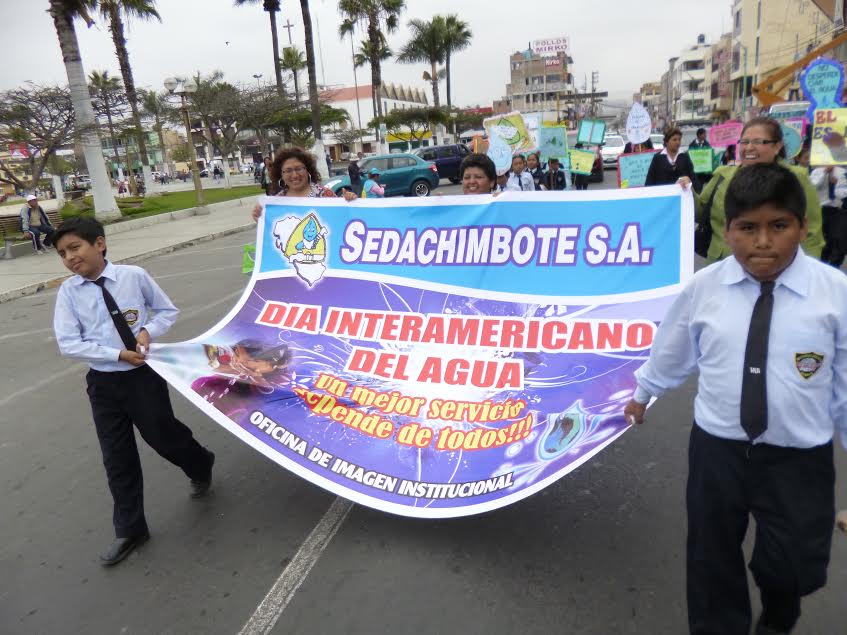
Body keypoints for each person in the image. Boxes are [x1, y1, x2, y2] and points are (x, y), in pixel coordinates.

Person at [624, 163, 846, 635]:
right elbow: (674, 347)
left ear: (803, 228)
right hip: (718, 449)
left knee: (789, 567)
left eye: (778, 226)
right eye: (748, 228)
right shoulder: (705, 289)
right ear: (728, 231)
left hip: (798, 456)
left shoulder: (834, 295)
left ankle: (779, 616)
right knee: (711, 558)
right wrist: (644, 393)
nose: (762, 242)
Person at [51, 217, 215, 567]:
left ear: (100, 243)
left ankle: (200, 462)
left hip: (143, 377)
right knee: (116, 455)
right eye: (63, 253)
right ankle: (130, 528)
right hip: (104, 382)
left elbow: (167, 311)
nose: (69, 258)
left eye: (75, 247)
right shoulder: (69, 292)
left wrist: (146, 331)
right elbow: (69, 343)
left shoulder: (134, 276)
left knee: (162, 435)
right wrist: (116, 354)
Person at [689, 116, 824, 262]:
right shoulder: (722, 175)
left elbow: (812, 234)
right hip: (721, 266)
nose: (749, 147)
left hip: (773, 267)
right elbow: (700, 212)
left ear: (777, 146)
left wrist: (807, 274)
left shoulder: (796, 177)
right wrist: (686, 190)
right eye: (744, 142)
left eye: (758, 142)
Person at [810, 164, 847, 267]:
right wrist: (825, 172)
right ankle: (823, 264)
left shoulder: (842, 172)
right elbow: (813, 184)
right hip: (822, 208)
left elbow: (840, 192)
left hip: (838, 210)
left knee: (838, 240)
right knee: (824, 240)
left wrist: (839, 182)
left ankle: (834, 266)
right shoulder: (817, 171)